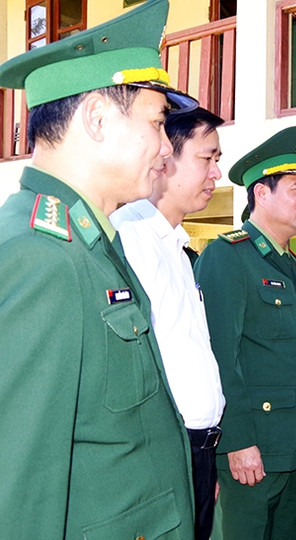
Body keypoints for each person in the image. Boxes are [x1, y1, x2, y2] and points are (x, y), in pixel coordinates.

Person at [0, 1, 199, 538]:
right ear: (96, 118)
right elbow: (19, 486)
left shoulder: (88, 240)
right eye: (158, 124)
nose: (165, 147)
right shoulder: (41, 258)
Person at [194, 125, 296, 540]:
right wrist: (236, 440)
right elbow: (219, 356)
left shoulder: (292, 264)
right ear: (261, 194)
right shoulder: (227, 257)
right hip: (255, 450)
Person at [110, 106, 226, 540]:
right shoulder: (131, 240)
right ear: (166, 157)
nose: (217, 172)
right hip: (163, 450)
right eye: (207, 157)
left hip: (198, 448)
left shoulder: (176, 247)